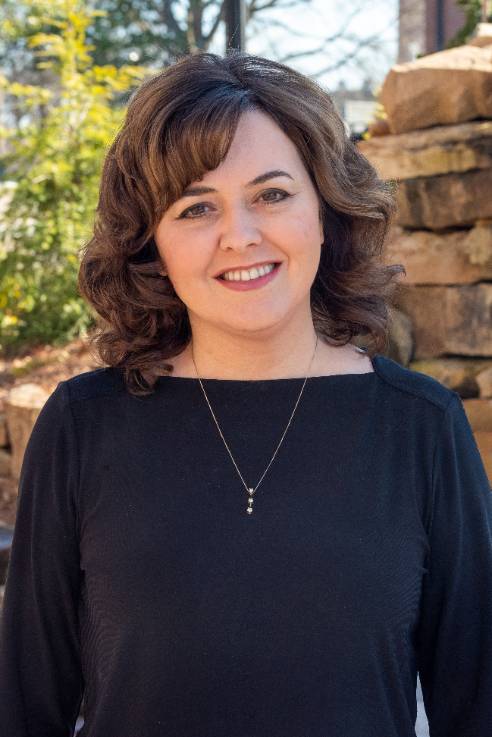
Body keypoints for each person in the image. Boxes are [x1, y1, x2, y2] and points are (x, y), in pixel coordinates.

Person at [0, 50, 491, 737]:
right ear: (152, 244)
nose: (241, 235)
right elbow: (24, 707)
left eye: (272, 194)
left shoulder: (422, 428)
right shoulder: (83, 427)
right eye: (197, 207)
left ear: (325, 210)